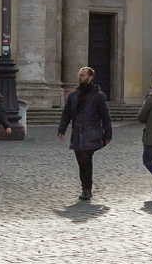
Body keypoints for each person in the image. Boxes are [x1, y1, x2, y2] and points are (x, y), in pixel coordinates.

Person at [58, 65, 114, 201]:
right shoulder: (73, 95)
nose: (80, 77)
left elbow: (105, 116)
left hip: (92, 133)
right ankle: (85, 186)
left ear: (90, 77)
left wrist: (108, 135)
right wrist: (62, 129)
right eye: (79, 75)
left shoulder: (98, 96)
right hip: (77, 133)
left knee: (86, 160)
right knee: (81, 162)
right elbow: (67, 114)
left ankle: (86, 189)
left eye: (83, 75)